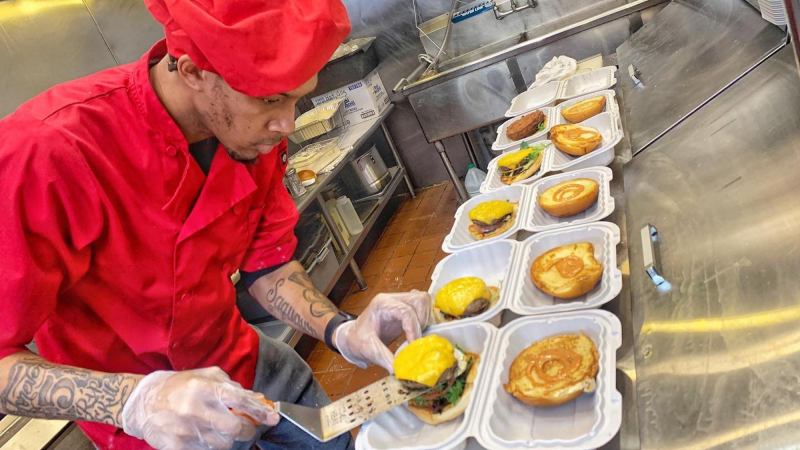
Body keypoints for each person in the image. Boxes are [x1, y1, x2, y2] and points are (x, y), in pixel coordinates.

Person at [0, 1, 431, 449]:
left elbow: (268, 266)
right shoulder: (45, 154)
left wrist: (341, 330)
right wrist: (134, 401)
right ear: (192, 71)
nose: (287, 124)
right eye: (270, 100)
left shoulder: (252, 137)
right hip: (154, 428)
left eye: (297, 97)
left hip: (251, 368)